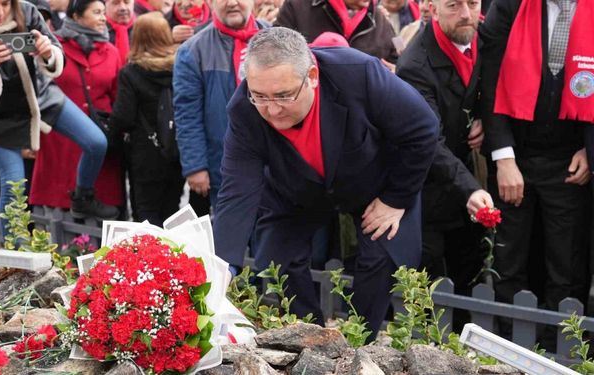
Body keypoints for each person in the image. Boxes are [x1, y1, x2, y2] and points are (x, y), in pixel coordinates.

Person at [213, 27, 439, 339]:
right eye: (260, 96)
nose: (273, 110)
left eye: (283, 95)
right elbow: (237, 190)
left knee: (380, 257)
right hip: (295, 190)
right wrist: (221, 267)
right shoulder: (243, 110)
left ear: (312, 76)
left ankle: (360, 340)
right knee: (276, 260)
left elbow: (423, 129)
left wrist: (395, 199)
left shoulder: (358, 74)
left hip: (372, 181)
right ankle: (310, 339)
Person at [480, 0, 593, 340]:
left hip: (571, 159)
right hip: (517, 153)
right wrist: (503, 156)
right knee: (509, 260)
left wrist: (590, 149)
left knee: (567, 264)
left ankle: (563, 346)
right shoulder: (511, 6)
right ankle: (509, 344)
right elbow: (490, 75)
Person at [0, 0, 118, 237]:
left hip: (42, 96)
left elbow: (57, 54)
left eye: (5, 3)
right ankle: (12, 257)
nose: (0, 12)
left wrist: (48, 52)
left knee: (97, 142)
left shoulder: (27, 10)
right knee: (14, 186)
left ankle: (83, 196)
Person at [396, 0, 491, 313]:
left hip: (463, 172)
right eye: (453, 5)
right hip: (427, 184)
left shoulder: (483, 36)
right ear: (431, 8)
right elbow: (429, 141)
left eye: (472, 4)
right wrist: (472, 189)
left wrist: (481, 118)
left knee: (470, 268)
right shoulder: (414, 65)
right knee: (430, 282)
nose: (466, 14)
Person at [29, 0, 124, 215]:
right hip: (59, 137)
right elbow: (36, 91)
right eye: (96, 12)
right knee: (57, 209)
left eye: (103, 12)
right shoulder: (53, 48)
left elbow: (117, 95)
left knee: (98, 208)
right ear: (76, 16)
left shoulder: (111, 51)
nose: (103, 18)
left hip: (99, 137)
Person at [173, 0, 267, 212]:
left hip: (274, 165)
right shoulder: (193, 51)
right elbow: (187, 114)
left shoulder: (275, 38)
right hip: (225, 167)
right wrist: (195, 166)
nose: (232, 3)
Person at [110, 12, 184, 225]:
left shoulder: (132, 72)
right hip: (176, 152)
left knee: (145, 215)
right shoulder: (180, 68)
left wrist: (108, 135)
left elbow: (123, 116)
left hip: (145, 155)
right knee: (171, 212)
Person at [275, 0, 398, 63]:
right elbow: (275, 51)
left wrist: (395, 72)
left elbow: (396, 57)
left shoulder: (380, 19)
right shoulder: (297, 7)